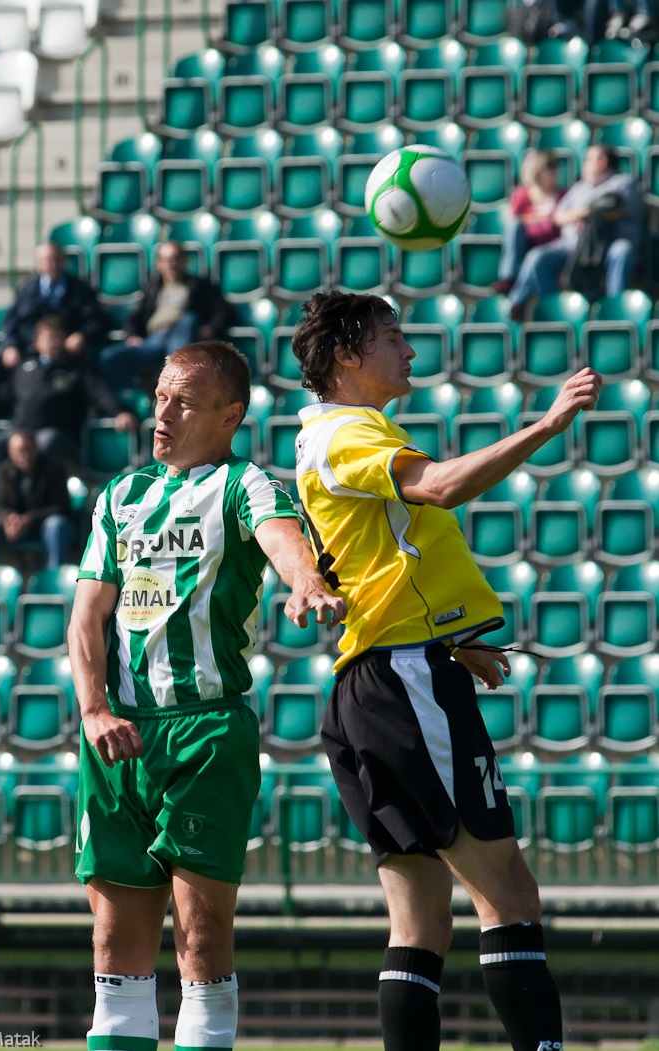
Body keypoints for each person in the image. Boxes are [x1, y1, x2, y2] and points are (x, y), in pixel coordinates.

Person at [291, 290, 602, 1051]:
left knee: (422, 917)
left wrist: (450, 640)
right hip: (404, 683)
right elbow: (440, 485)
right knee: (510, 893)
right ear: (347, 355)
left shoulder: (341, 435)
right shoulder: (345, 433)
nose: (411, 350)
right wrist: (546, 424)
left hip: (379, 678)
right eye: (393, 337)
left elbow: (379, 562)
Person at [67, 340, 346, 1049]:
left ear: (230, 415)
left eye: (183, 401)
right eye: (160, 395)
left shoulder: (243, 485)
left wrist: (305, 579)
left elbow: (284, 539)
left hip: (207, 731)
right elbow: (87, 616)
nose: (162, 412)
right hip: (117, 735)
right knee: (112, 945)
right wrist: (94, 708)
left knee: (201, 933)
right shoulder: (119, 497)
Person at [0, 315, 138, 472]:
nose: (53, 342)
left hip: (56, 435)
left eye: (57, 337)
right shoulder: (24, 368)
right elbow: (0, 400)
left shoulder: (76, 369)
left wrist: (119, 412)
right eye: (48, 338)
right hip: (19, 433)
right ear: (37, 342)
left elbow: (99, 392)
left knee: (45, 446)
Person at [506, 144, 644, 319]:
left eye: (588, 160)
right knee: (538, 257)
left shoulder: (624, 183)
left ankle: (614, 311)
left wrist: (592, 216)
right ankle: (554, 312)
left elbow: (622, 211)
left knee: (622, 250)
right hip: (574, 246)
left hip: (609, 245)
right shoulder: (580, 187)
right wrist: (580, 214)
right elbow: (558, 216)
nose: (584, 164)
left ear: (602, 162)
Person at [99, 241, 237, 393]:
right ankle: (133, 399)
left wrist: (210, 329)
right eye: (166, 260)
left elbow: (223, 311)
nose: (172, 264)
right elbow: (134, 317)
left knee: (189, 319)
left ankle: (173, 380)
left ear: (185, 261)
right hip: (154, 341)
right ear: (159, 264)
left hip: (183, 336)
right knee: (111, 357)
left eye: (176, 258)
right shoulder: (153, 288)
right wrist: (132, 335)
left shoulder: (199, 285)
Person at [0, 242, 110, 389]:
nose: (51, 264)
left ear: (63, 261)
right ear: (38, 264)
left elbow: (98, 319)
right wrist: (10, 346)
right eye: (46, 260)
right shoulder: (26, 289)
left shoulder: (80, 289)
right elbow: (11, 322)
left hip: (65, 352)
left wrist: (82, 335)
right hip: (29, 349)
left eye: (55, 259)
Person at [0, 428, 76, 573]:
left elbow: (60, 506)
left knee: (56, 524)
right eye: (18, 451)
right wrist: (9, 518)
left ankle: (54, 579)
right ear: (11, 452)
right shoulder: (4, 470)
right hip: (13, 527)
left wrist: (28, 520)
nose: (23, 455)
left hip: (42, 526)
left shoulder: (54, 468)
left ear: (36, 448)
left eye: (27, 449)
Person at [493, 150, 564, 296]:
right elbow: (512, 222)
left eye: (556, 165)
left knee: (535, 257)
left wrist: (532, 220)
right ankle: (508, 276)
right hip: (524, 246)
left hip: (550, 247)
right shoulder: (522, 195)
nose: (555, 170)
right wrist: (547, 219)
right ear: (537, 170)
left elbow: (562, 224)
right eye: (549, 166)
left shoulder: (563, 195)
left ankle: (516, 300)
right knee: (516, 227)